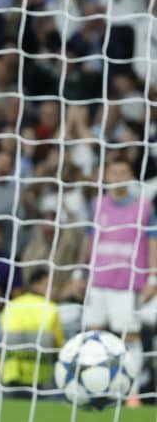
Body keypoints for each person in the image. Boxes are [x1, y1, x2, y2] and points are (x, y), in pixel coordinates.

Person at [78, 157, 156, 408]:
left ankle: (132, 390)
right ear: (106, 176)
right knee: (94, 336)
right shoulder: (96, 204)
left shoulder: (144, 207)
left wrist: (153, 277)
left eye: (124, 172)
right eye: (114, 172)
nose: (119, 177)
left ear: (131, 176)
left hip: (127, 282)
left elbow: (152, 242)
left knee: (129, 337)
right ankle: (94, 389)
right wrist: (80, 274)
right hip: (98, 279)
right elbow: (89, 240)